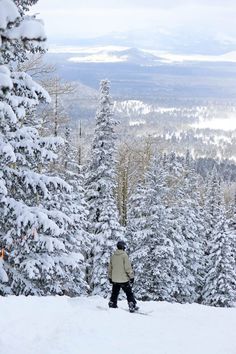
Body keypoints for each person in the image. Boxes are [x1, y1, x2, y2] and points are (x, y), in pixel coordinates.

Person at [108, 240, 138, 312]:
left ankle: (112, 303)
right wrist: (131, 277)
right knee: (129, 293)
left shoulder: (113, 256)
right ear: (123, 247)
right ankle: (131, 304)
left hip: (115, 279)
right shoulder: (124, 255)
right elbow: (128, 268)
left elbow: (110, 268)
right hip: (123, 279)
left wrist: (110, 277)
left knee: (115, 292)